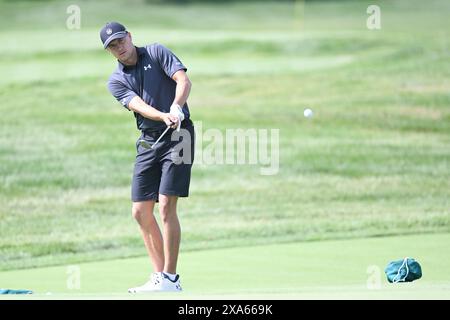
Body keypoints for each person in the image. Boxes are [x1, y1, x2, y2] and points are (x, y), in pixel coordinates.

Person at [100, 22, 195, 292]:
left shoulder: (156, 52)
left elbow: (183, 80)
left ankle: (171, 278)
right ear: (109, 51)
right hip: (149, 141)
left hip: (180, 137)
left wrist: (176, 107)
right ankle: (159, 277)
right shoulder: (115, 81)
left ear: (130, 37)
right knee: (140, 211)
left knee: (166, 206)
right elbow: (137, 105)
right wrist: (163, 114)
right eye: (112, 46)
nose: (119, 47)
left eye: (120, 40)